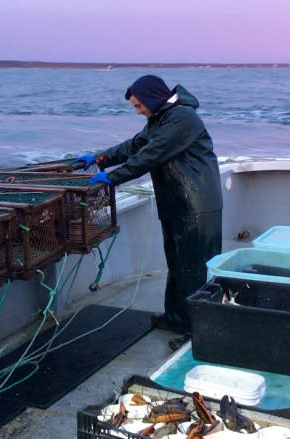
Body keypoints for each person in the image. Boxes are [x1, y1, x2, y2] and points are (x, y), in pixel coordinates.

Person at [75, 75, 223, 351]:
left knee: (193, 270)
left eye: (138, 105)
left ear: (153, 97)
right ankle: (176, 317)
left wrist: (113, 178)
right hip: (176, 203)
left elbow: (150, 155)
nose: (138, 111)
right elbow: (134, 146)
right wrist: (99, 158)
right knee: (177, 265)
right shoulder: (160, 118)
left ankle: (196, 332)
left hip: (197, 205)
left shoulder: (182, 119)